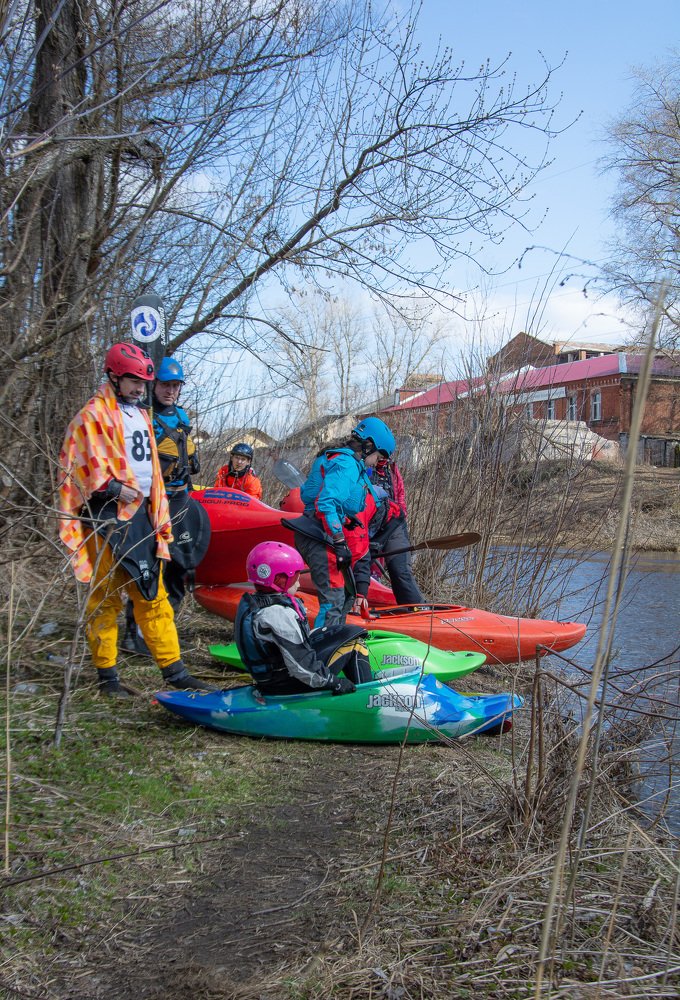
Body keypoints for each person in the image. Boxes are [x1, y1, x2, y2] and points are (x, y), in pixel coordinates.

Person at [58, 342, 213, 696]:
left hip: (143, 516)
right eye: (133, 381)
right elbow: (75, 464)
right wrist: (111, 487)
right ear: (114, 377)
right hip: (106, 518)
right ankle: (108, 678)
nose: (140, 388)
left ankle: (175, 672)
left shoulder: (142, 415)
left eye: (143, 382)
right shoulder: (92, 416)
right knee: (106, 598)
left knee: (152, 594)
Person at [122, 355, 210, 653]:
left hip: (180, 497)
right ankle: (134, 635)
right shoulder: (141, 414)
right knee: (148, 567)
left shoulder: (183, 417)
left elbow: (187, 457)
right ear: (154, 385)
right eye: (165, 385)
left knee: (180, 566)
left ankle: (164, 629)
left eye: (175, 385)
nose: (170, 391)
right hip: (152, 500)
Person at [292, 416, 395, 628]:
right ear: (369, 446)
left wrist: (346, 520)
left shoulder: (340, 458)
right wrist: (339, 540)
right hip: (318, 535)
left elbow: (324, 498)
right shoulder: (347, 464)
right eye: (378, 457)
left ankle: (334, 639)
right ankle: (323, 645)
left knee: (346, 595)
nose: (376, 463)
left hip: (316, 530)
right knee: (333, 600)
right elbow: (327, 503)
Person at [235, 542, 370, 695]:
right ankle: (367, 696)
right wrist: (334, 682)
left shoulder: (254, 603)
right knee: (355, 644)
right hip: (286, 684)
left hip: (273, 678)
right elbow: (301, 664)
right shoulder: (277, 613)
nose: (298, 584)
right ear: (279, 580)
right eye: (295, 578)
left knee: (347, 632)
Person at [368, 456, 425, 605]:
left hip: (392, 522)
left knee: (400, 570)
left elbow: (400, 493)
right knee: (366, 566)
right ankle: (362, 596)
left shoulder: (392, 469)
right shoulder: (363, 465)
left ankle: (415, 607)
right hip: (368, 524)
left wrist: (402, 513)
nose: (382, 458)